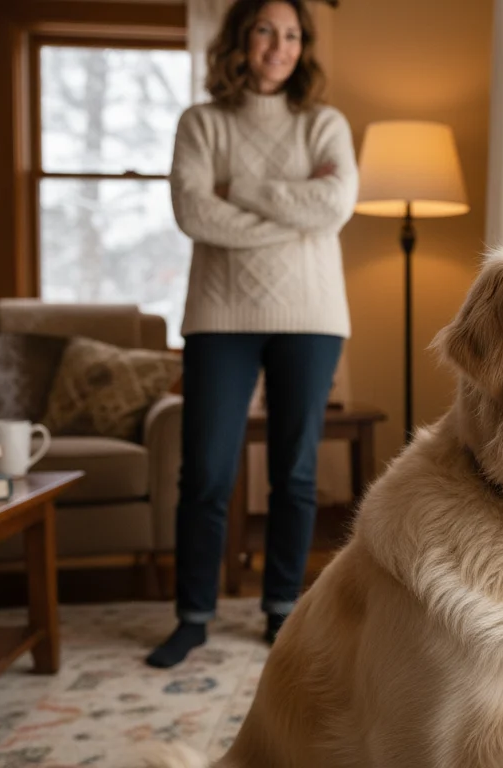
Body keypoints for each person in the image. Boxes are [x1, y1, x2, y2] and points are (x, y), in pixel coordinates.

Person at [146, 0, 357, 669]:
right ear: (241, 38)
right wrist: (293, 215)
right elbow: (193, 211)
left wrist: (244, 188)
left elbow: (336, 204)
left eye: (293, 33)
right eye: (267, 29)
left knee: (295, 474)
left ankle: (281, 613)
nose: (280, 45)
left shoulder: (324, 123)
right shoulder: (201, 123)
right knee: (206, 472)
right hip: (219, 316)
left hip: (312, 314)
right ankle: (193, 617)